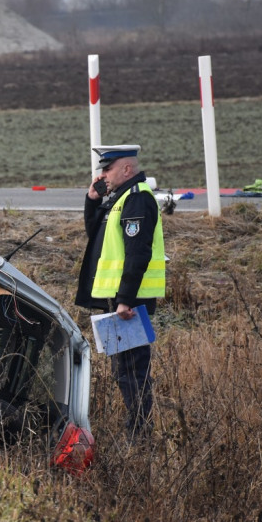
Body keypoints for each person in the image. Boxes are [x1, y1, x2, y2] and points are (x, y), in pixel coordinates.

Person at [75, 145, 165, 441]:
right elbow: (96, 236)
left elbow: (137, 253)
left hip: (129, 303)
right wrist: (92, 200)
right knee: (123, 369)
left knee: (133, 370)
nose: (102, 175)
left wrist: (126, 298)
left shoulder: (137, 199)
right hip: (118, 302)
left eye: (106, 169)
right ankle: (137, 427)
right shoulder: (120, 199)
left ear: (126, 168)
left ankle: (140, 432)